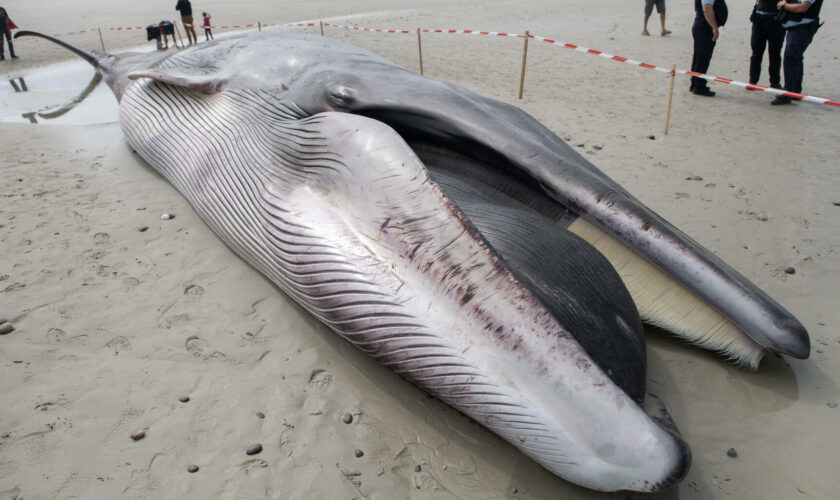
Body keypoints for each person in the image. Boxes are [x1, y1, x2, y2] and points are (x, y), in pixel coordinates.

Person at [771, 0, 823, 105]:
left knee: (791, 59)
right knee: (795, 58)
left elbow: (802, 7)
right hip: (797, 29)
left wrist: (784, 5)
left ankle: (788, 93)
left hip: (802, 29)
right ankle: (795, 92)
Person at [690, 0, 728, 97]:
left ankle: (695, 83)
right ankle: (699, 86)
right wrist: (714, 27)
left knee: (699, 57)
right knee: (702, 58)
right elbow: (707, 8)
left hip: (702, 26)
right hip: (704, 27)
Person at [749, 0, 785, 89]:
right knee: (756, 53)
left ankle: (775, 82)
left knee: (774, 54)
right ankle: (753, 81)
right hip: (759, 18)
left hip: (776, 20)